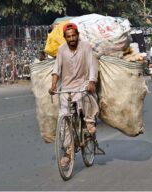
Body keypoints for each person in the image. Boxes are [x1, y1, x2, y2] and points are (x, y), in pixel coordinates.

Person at [48, 23, 99, 166]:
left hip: (82, 85)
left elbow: (92, 65)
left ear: (77, 35)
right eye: (68, 36)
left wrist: (91, 81)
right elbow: (56, 70)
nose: (71, 39)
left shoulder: (86, 47)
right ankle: (67, 153)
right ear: (65, 38)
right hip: (66, 89)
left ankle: (89, 122)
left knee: (87, 96)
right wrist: (53, 86)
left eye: (73, 35)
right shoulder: (61, 50)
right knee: (63, 123)